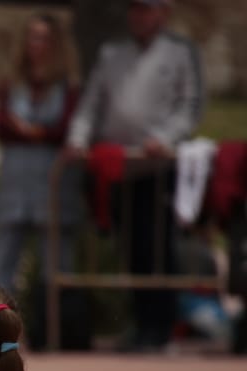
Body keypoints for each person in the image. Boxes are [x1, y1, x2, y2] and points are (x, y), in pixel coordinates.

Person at [65, 0, 203, 352]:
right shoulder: (112, 54)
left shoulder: (179, 53)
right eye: (134, 9)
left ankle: (162, 328)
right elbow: (91, 103)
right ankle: (140, 325)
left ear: (163, 12)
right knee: (129, 249)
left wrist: (166, 139)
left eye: (146, 9)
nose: (138, 16)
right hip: (119, 166)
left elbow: (189, 108)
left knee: (156, 249)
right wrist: (79, 140)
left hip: (157, 167)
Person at [0, 14, 86, 352]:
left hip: (52, 179)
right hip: (16, 178)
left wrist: (32, 131)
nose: (37, 45)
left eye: (44, 38)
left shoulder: (68, 86)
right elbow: (1, 126)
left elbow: (65, 129)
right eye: (32, 37)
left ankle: (55, 335)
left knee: (56, 263)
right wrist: (33, 132)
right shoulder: (11, 82)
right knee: (3, 261)